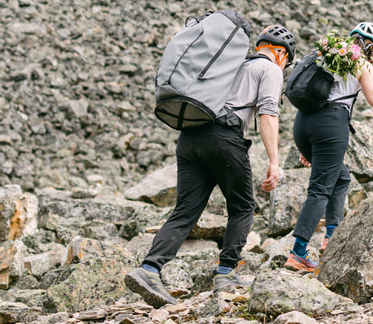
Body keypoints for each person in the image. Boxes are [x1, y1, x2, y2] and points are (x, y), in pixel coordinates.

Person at [126, 24, 296, 306]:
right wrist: (274, 162)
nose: (285, 66)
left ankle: (149, 269)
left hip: (190, 137)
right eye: (286, 60)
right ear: (279, 52)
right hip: (224, 139)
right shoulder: (270, 69)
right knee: (242, 207)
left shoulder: (229, 64)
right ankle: (227, 273)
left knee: (185, 210)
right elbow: (268, 112)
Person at [287, 21, 373, 274]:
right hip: (331, 125)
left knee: (340, 179)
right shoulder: (361, 63)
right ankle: (298, 253)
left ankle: (332, 235)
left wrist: (307, 144)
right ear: (372, 48)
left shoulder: (326, 58)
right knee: (320, 188)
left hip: (303, 124)